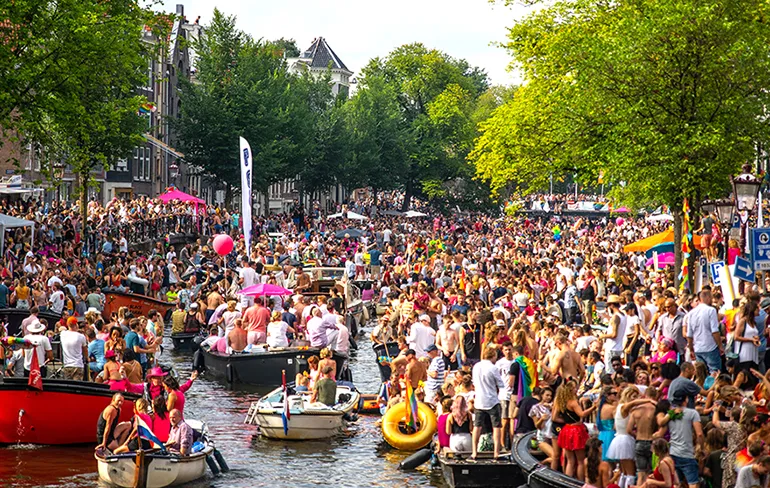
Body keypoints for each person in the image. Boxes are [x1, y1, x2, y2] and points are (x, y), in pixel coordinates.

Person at [471, 346, 505, 461]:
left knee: (477, 426)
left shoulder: (476, 366)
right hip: (492, 400)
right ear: (493, 356)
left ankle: (474, 452)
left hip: (479, 401)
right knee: (496, 427)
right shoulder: (493, 368)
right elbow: (501, 384)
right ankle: (496, 453)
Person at [687, 289, 723, 373]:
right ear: (708, 298)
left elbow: (689, 334)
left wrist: (691, 349)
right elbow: (714, 331)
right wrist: (720, 346)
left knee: (701, 373)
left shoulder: (691, 313)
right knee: (715, 372)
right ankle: (713, 386)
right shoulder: (711, 310)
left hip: (698, 348)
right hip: (710, 347)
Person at [60, 316, 88, 380]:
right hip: (78, 365)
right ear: (76, 324)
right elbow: (85, 350)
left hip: (67, 365)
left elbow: (61, 329)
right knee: (77, 386)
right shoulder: (81, 336)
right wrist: (87, 358)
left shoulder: (63, 334)